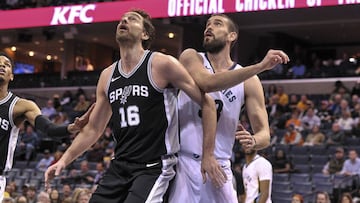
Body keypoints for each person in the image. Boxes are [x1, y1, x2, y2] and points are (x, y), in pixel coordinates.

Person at [45, 9, 218, 203]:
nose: (124, 20)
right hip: (120, 166)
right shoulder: (107, 76)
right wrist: (64, 160)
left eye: (132, 19)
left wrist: (208, 154)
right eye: (122, 19)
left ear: (145, 34)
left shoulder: (162, 64)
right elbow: (93, 129)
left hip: (154, 166)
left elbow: (207, 102)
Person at [169, 13, 289, 203]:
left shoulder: (249, 81)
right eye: (208, 24)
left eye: (217, 24)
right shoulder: (191, 57)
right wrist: (260, 66)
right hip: (184, 161)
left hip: (219, 165)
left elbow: (265, 134)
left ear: (231, 36)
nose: (209, 27)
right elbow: (207, 83)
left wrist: (254, 141)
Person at [0, 52, 91, 202]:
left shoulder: (20, 106)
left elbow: (49, 129)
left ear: (12, 76)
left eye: (6, 64)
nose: (2, 66)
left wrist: (71, 128)